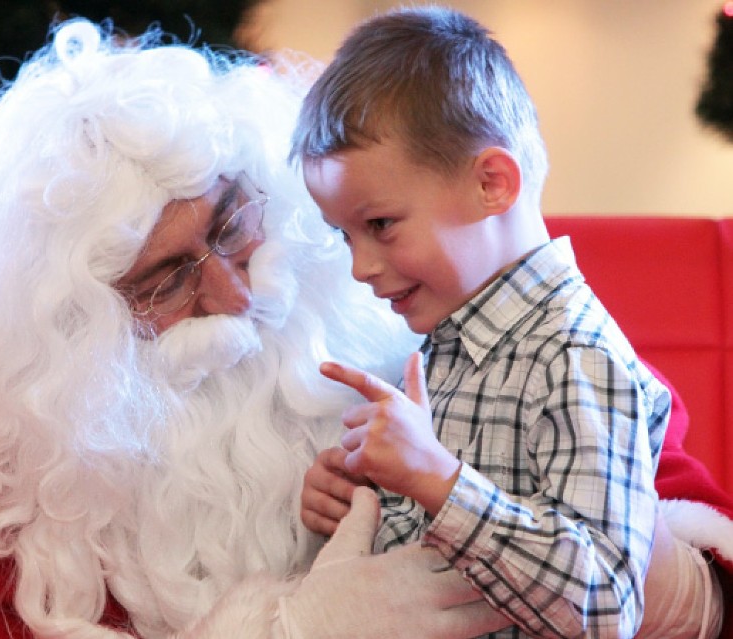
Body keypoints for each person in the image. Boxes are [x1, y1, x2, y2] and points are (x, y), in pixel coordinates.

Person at [0, 14, 728, 639]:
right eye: (166, 279)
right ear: (72, 327)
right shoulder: (25, 489)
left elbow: (686, 511)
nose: (232, 292)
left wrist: (654, 574)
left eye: (227, 226)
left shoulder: (439, 312)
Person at [291, 5, 729, 639]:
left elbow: (605, 608)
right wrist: (363, 498)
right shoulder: (448, 340)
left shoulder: (576, 355)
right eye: (345, 235)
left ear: (492, 183)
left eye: (381, 224)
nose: (360, 267)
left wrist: (437, 480)